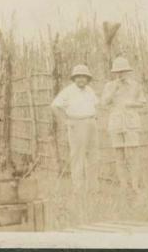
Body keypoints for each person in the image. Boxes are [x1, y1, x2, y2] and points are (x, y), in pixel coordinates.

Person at [50, 64, 99, 196]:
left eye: (84, 77)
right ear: (74, 78)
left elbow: (96, 105)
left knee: (93, 156)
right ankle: (78, 189)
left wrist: (95, 118)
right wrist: (66, 121)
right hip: (76, 124)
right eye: (78, 77)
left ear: (88, 78)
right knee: (78, 157)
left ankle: (93, 189)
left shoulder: (90, 90)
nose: (81, 79)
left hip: (91, 123)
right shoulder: (68, 91)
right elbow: (55, 106)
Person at [101, 56, 146, 192]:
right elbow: (103, 103)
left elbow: (143, 102)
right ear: (114, 73)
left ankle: (135, 185)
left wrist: (131, 103)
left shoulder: (135, 85)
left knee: (133, 155)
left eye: (123, 71)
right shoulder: (109, 86)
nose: (120, 74)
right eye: (118, 72)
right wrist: (114, 90)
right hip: (116, 123)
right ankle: (123, 185)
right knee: (119, 155)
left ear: (128, 71)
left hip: (131, 122)